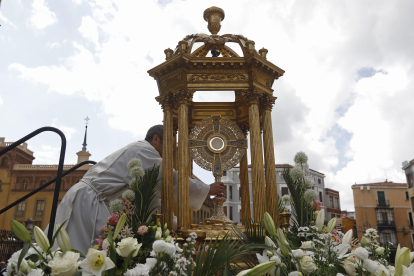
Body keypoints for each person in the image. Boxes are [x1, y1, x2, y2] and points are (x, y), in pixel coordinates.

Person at [45, 125, 225, 254]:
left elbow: (148, 198)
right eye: (168, 146)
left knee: (72, 253)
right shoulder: (144, 151)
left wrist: (173, 222)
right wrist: (205, 188)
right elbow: (168, 179)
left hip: (89, 200)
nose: (167, 154)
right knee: (83, 256)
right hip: (89, 203)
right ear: (156, 139)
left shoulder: (140, 152)